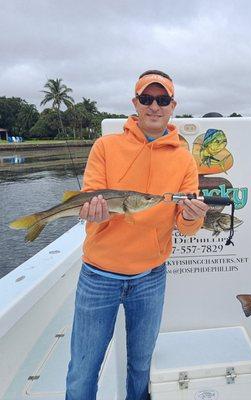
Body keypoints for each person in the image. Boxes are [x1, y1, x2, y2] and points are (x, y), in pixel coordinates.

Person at [66, 70, 209, 400]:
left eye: (162, 100)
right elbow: (90, 201)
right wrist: (94, 213)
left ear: (173, 105)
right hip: (98, 276)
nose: (154, 106)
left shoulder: (184, 160)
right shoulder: (105, 146)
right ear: (135, 104)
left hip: (150, 277)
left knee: (141, 367)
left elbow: (186, 226)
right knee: (83, 369)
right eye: (146, 99)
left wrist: (191, 217)